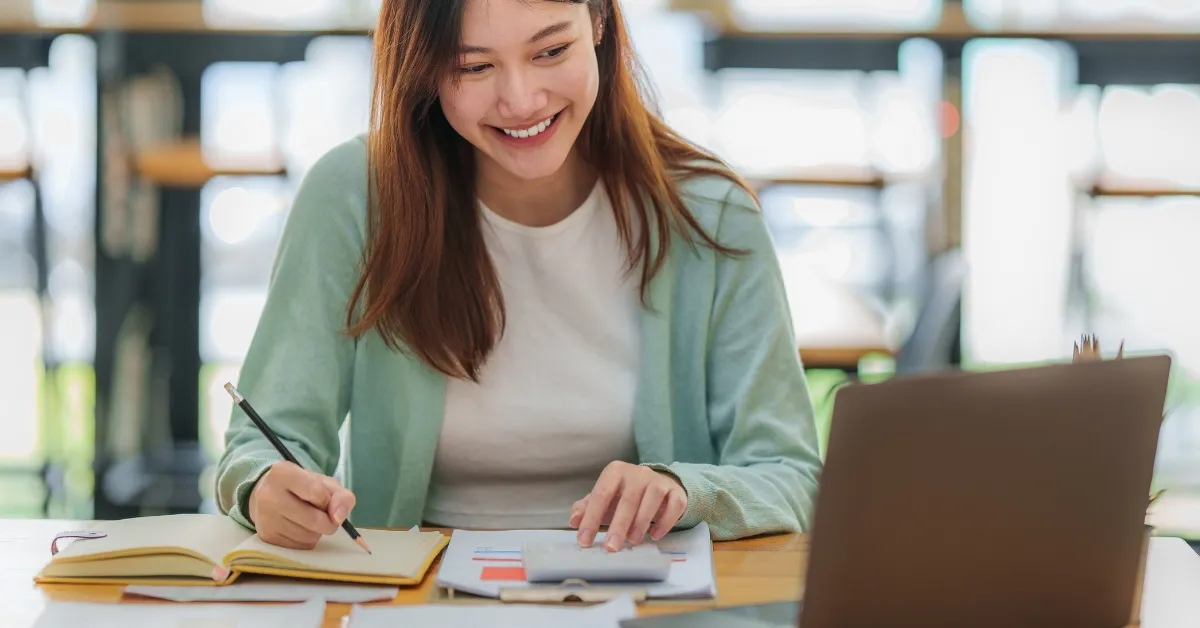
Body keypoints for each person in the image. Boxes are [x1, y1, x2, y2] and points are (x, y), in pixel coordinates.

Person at [216, 0, 823, 553]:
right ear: (424, 69)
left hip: (643, 599)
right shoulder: (355, 197)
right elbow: (267, 438)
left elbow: (789, 473)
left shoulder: (709, 214)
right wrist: (266, 486)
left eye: (551, 51)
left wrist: (685, 491)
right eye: (474, 68)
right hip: (419, 602)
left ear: (600, 25)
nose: (522, 101)